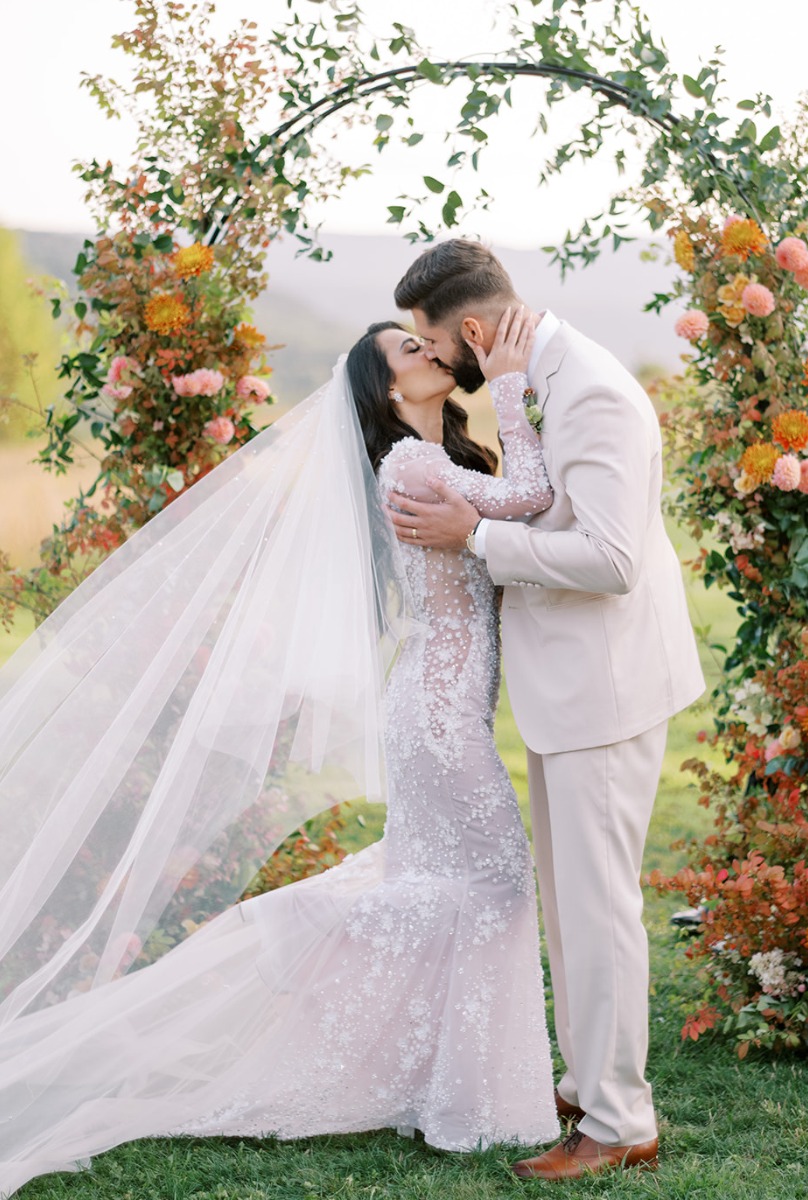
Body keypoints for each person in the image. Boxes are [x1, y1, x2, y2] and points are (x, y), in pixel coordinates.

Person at [0, 316, 561, 1197]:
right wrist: (520, 387)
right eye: (406, 351)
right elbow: (528, 499)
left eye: (421, 343)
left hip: (439, 704)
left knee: (461, 887)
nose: (427, 353)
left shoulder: (434, 458)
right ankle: (340, 965)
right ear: (384, 391)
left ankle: (457, 1086)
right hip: (439, 716)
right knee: (493, 886)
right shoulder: (412, 465)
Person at [389, 239, 705, 1181]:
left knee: (600, 911)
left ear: (476, 332)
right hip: (567, 688)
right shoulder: (539, 381)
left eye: (437, 349)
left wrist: (475, 535)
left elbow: (612, 562)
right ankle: (587, 1081)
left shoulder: (594, 391)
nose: (440, 365)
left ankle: (619, 1124)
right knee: (570, 907)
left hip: (604, 688)